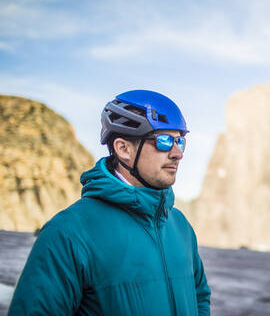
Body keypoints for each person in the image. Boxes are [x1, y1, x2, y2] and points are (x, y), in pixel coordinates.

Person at [8, 90, 211, 315]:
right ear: (123, 148)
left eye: (179, 141)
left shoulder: (179, 225)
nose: (177, 153)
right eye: (163, 141)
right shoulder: (68, 233)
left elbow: (199, 295)